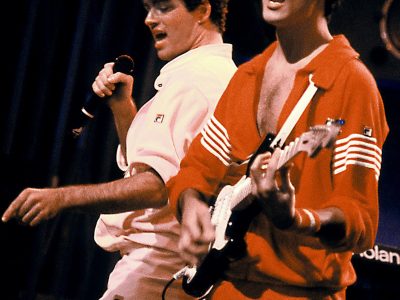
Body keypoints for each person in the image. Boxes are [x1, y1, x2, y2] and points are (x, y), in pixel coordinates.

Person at [2, 0, 236, 299]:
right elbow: (150, 168)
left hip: (157, 268)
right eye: (148, 8)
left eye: (164, 7)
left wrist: (61, 198)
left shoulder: (197, 82)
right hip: (167, 268)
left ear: (203, 11)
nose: (150, 19)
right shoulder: (213, 75)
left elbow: (157, 186)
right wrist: (123, 108)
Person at [167, 0, 389, 299]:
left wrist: (295, 218)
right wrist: (191, 203)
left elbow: (360, 221)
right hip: (223, 286)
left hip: (301, 292)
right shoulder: (248, 75)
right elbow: (197, 167)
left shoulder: (353, 83)